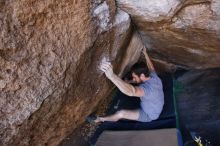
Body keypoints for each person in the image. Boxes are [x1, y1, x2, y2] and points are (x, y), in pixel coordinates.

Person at [90, 47, 164, 123]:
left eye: (135, 77)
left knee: (121, 114)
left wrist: (112, 76)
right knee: (135, 82)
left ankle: (99, 119)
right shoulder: (153, 76)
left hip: (150, 114)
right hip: (154, 104)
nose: (134, 79)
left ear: (142, 75)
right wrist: (145, 54)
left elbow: (132, 91)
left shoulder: (148, 91)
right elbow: (151, 67)